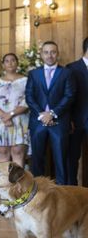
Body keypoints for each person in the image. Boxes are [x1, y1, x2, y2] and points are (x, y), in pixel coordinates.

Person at [25, 41, 75, 185]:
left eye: (53, 52)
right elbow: (29, 96)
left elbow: (69, 95)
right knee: (37, 160)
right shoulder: (33, 74)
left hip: (59, 122)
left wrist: (52, 113)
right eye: (46, 52)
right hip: (38, 122)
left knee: (61, 160)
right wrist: (42, 115)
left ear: (57, 54)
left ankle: (62, 194)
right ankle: (38, 193)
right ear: (41, 54)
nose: (50, 55)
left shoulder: (66, 72)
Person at [0, 53, 29, 167]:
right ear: (3, 65)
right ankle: (5, 184)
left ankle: (18, 184)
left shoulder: (26, 80)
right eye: (7, 61)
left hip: (19, 121)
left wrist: (11, 114)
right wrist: (4, 116)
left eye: (13, 60)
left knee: (17, 152)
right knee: (3, 153)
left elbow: (28, 101)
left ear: (17, 63)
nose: (10, 63)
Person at [68, 37, 88, 185]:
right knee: (72, 157)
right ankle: (72, 190)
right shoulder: (72, 68)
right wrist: (69, 119)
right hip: (76, 121)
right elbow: (68, 97)